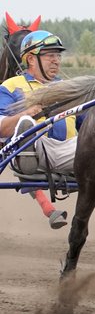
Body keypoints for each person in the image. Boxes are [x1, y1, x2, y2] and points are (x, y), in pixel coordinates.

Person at [0, 30, 79, 228]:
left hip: (70, 152)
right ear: (30, 59)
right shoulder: (10, 87)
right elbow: (1, 129)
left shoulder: (69, 88)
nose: (56, 61)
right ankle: (27, 143)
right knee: (27, 125)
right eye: (50, 55)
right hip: (35, 152)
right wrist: (27, 114)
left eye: (58, 55)